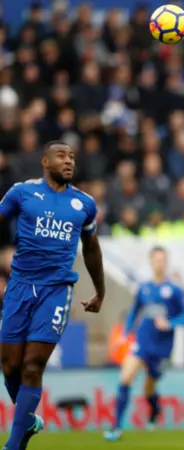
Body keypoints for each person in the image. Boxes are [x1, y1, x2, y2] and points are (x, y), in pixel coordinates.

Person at [0, 140, 105, 449]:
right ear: (45, 161)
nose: (69, 161)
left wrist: (100, 291)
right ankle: (29, 421)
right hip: (19, 287)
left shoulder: (84, 204)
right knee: (9, 365)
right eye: (61, 156)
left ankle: (14, 444)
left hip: (56, 290)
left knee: (32, 365)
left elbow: (92, 250)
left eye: (72, 156)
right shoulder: (22, 192)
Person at [104, 246, 184, 441]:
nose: (159, 263)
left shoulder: (174, 290)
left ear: (166, 263)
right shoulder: (143, 288)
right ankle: (116, 428)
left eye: (163, 260)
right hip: (142, 342)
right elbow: (133, 311)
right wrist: (125, 334)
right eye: (156, 259)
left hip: (161, 348)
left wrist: (170, 323)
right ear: (151, 262)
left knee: (148, 389)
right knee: (126, 378)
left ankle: (154, 409)